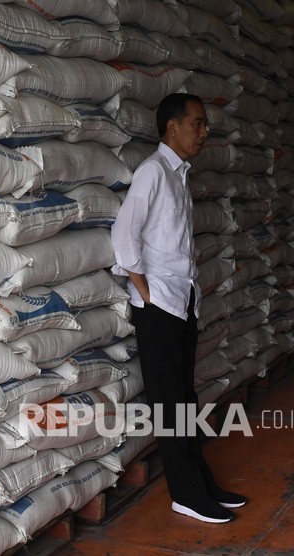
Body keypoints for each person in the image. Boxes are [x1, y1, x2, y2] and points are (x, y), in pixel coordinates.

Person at [111, 93, 246, 523]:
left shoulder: (178, 176)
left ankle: (201, 485)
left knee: (184, 401)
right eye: (198, 124)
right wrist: (145, 291)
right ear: (173, 126)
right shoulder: (153, 172)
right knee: (170, 408)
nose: (204, 133)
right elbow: (123, 233)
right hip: (159, 307)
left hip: (181, 303)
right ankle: (186, 495)